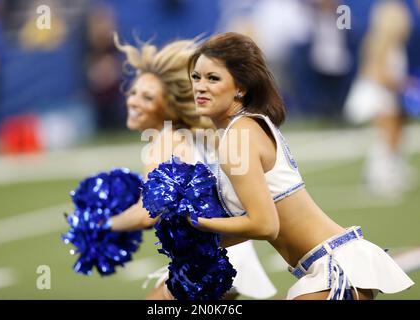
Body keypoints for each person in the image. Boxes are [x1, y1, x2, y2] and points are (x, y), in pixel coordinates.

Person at [187, 32, 414, 300]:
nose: (200, 86)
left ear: (240, 87)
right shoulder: (243, 127)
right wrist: (190, 244)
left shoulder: (238, 136)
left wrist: (196, 223)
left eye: (213, 78)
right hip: (329, 264)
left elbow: (264, 225)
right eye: (196, 77)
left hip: (333, 266)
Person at [109, 34, 277, 300]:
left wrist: (105, 224)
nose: (133, 101)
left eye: (147, 97)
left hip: (213, 253)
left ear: (169, 104)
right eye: (134, 93)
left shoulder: (167, 140)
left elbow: (147, 214)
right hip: (229, 250)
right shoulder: (194, 134)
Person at [344, 0, 416, 197]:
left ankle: (393, 169)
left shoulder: (395, 46)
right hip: (375, 93)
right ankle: (380, 177)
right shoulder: (380, 43)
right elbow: (377, 73)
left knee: (395, 132)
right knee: (386, 135)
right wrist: (405, 85)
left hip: (386, 93)